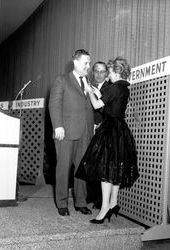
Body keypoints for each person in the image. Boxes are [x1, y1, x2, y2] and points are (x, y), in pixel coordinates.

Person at [75, 56, 139, 223]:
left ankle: (103, 210)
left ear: (116, 72)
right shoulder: (124, 88)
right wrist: (98, 94)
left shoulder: (113, 87)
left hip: (109, 130)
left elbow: (97, 106)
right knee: (115, 169)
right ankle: (113, 203)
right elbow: (112, 107)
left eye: (109, 72)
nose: (108, 76)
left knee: (106, 172)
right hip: (120, 130)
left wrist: (90, 93)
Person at [49, 49, 94, 216]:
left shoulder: (87, 82)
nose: (88, 66)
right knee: (63, 168)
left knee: (82, 169)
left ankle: (80, 202)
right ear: (75, 62)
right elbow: (54, 104)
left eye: (89, 63)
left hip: (85, 132)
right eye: (85, 63)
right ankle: (62, 203)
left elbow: (88, 105)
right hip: (65, 131)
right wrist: (58, 126)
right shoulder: (62, 80)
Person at [86, 61, 111, 209]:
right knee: (91, 163)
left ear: (107, 73)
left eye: (102, 71)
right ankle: (91, 195)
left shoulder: (110, 88)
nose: (99, 74)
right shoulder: (89, 88)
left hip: (104, 130)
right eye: (97, 71)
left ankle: (101, 200)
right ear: (93, 72)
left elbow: (109, 110)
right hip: (89, 129)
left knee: (102, 164)